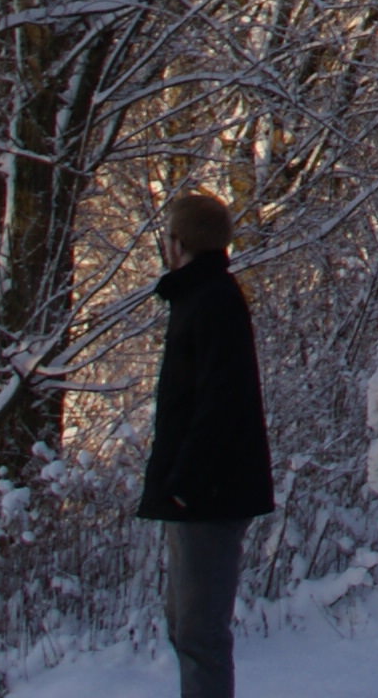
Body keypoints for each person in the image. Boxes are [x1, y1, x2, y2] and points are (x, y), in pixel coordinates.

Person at [141, 189, 275, 698]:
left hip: (208, 496)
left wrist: (185, 485)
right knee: (187, 627)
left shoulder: (212, 300)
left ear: (179, 243)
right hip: (199, 493)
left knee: (199, 634)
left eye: (168, 237)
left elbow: (220, 403)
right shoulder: (200, 297)